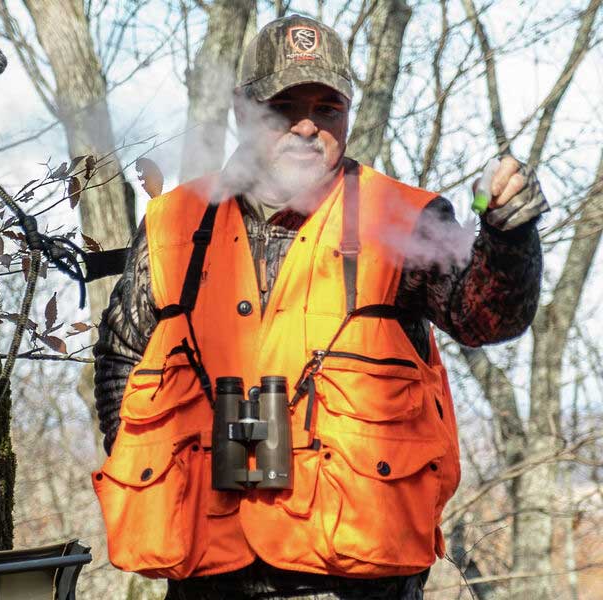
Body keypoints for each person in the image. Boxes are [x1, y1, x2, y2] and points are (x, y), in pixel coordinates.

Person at [92, 14, 548, 600]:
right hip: (207, 573)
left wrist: (510, 238)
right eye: (286, 107)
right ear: (242, 111)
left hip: (356, 580)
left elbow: (487, 316)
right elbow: (119, 359)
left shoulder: (400, 220)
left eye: (328, 108)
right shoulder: (174, 223)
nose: (308, 126)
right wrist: (156, 472)